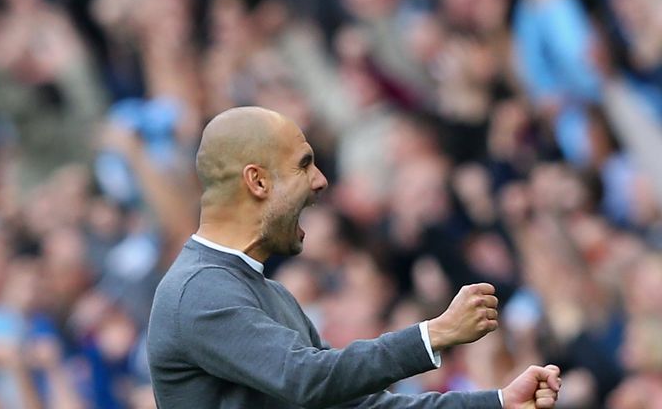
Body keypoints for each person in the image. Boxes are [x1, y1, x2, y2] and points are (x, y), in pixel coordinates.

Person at [147, 106, 561, 408]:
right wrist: (431, 335)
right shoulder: (197, 292)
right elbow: (306, 379)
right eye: (304, 165)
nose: (320, 181)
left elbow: (357, 405)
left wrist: (499, 403)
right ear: (257, 181)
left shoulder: (270, 294)